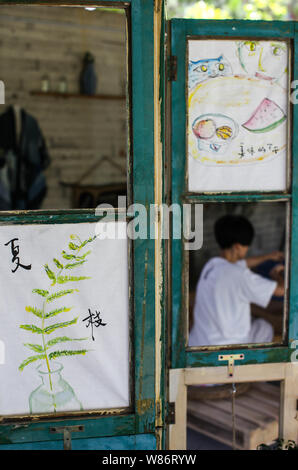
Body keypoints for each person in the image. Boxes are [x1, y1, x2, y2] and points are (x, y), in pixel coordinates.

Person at [189, 214, 284, 347]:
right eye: (247, 246)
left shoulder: (211, 266)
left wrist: (269, 256)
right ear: (238, 247)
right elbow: (281, 290)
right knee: (264, 327)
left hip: (200, 342)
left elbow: (242, 263)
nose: (248, 249)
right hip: (229, 348)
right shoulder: (241, 276)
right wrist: (277, 275)